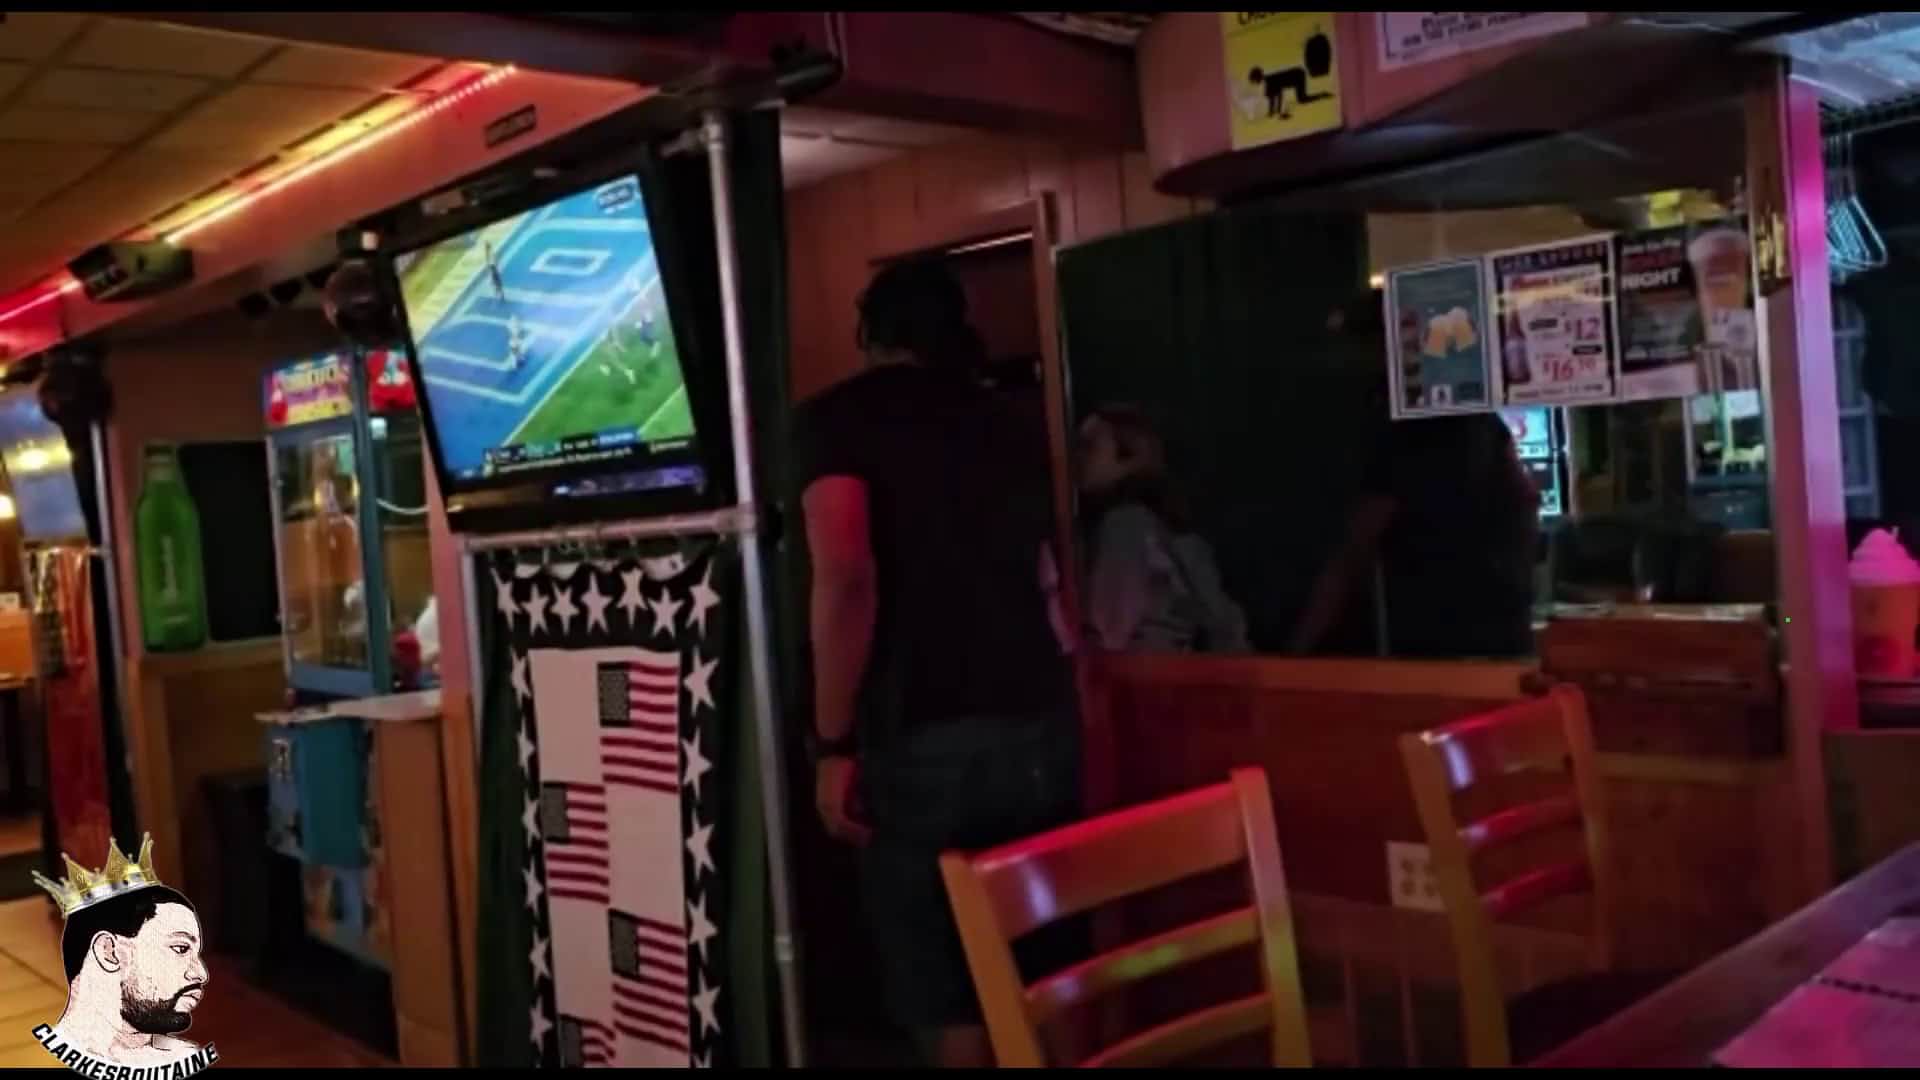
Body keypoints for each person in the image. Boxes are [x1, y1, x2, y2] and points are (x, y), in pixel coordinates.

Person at [791, 259, 1080, 1068]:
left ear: (869, 331)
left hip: (920, 735)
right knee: (1045, 969)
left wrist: (831, 742)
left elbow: (846, 576)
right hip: (1039, 718)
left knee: (947, 991)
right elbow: (1050, 575)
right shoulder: (1008, 419)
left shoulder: (837, 420)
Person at [1289, 412, 1539, 658]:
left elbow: (1351, 555)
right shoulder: (1475, 424)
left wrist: (1296, 652)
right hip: (1486, 637)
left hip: (1443, 643)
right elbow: (1527, 496)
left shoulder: (1414, 436)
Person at [1077, 404, 1248, 653]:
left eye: (1089, 446)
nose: (1077, 457)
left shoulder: (1126, 524)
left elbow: (1109, 628)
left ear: (1128, 458)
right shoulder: (1165, 530)